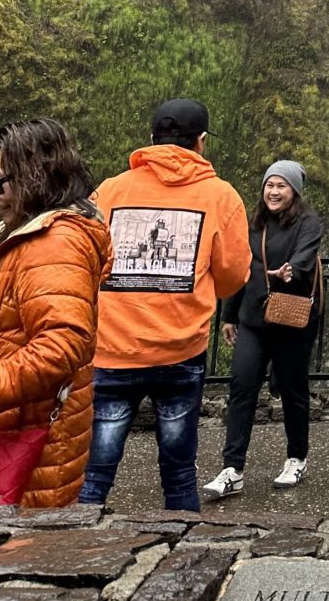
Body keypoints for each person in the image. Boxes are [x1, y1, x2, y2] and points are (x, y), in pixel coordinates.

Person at [80, 99, 250, 512]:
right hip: (179, 350)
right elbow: (232, 277)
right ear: (201, 142)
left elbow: (84, 260)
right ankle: (181, 552)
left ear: (152, 139)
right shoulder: (221, 197)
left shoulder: (111, 189)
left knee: (94, 470)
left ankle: (72, 546)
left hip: (112, 349)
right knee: (178, 470)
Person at [0, 121, 111, 507]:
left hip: (19, 456)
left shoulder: (55, 242)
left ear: (35, 176)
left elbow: (60, 347)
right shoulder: (16, 230)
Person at [204, 162, 322, 499]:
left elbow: (306, 252)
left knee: (292, 389)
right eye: (270, 185)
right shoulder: (252, 223)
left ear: (294, 191)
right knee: (241, 387)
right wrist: (228, 315)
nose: (274, 191)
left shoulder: (307, 221)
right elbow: (241, 267)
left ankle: (297, 457)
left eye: (282, 186)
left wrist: (292, 270)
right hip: (253, 318)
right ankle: (232, 468)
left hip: (291, 319)